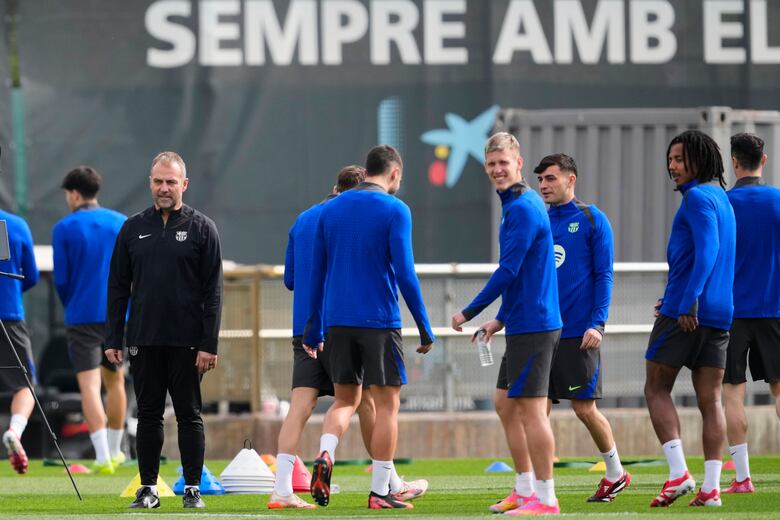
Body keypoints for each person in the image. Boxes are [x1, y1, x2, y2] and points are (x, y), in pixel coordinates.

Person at [270, 165, 428, 509]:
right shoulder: (353, 215)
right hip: (342, 321)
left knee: (301, 405)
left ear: (334, 186)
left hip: (305, 328)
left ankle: (282, 488)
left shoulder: (304, 219)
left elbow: (291, 279)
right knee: (370, 402)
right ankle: (385, 484)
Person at [451, 132, 562, 516]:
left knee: (531, 410)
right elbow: (525, 273)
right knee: (505, 404)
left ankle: (546, 499)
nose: (498, 169)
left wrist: (469, 311)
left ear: (518, 162)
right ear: (486, 167)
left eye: (505, 162)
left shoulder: (523, 208)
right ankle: (524, 488)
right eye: (492, 164)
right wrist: (499, 320)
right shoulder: (515, 204)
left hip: (536, 325)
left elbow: (509, 270)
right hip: (522, 322)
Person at [105, 151, 223, 510]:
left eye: (171, 181)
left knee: (189, 414)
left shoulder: (203, 228)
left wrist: (208, 344)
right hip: (144, 339)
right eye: (158, 181)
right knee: (149, 415)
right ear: (150, 183)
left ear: (184, 184)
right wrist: (113, 338)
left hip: (188, 343)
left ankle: (191, 489)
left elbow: (214, 292)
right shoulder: (132, 228)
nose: (164, 188)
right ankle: (148, 490)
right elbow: (117, 286)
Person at [644, 130, 736, 507]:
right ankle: (712, 488)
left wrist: (686, 301)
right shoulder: (723, 200)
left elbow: (709, 251)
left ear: (700, 160)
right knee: (711, 400)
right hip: (720, 313)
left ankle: (679, 472)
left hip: (688, 311)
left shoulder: (697, 198)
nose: (672, 166)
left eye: (680, 159)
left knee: (655, 388)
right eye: (670, 159)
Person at [535, 153, 630, 502]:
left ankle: (616, 472)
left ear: (570, 179)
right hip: (543, 332)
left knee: (583, 408)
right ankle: (535, 488)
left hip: (580, 333)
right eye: (541, 180)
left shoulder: (592, 219)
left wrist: (598, 323)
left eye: (550, 178)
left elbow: (605, 275)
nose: (544, 185)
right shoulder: (540, 222)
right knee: (536, 407)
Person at [52, 166, 128, 475]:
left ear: (73, 193)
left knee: (90, 386)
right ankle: (115, 451)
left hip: (81, 315)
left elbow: (62, 279)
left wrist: (72, 303)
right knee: (116, 380)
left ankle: (101, 458)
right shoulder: (121, 223)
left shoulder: (64, 228)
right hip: (117, 315)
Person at [722, 133, 780, 494]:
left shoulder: (723, 205)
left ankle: (743, 478)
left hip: (731, 314)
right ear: (765, 159)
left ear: (734, 162)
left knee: (731, 393)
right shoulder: (778, 201)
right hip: (774, 309)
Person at [0, 208, 39, 474]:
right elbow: (31, 276)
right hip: (9, 315)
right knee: (25, 386)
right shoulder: (16, 224)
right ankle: (15, 429)